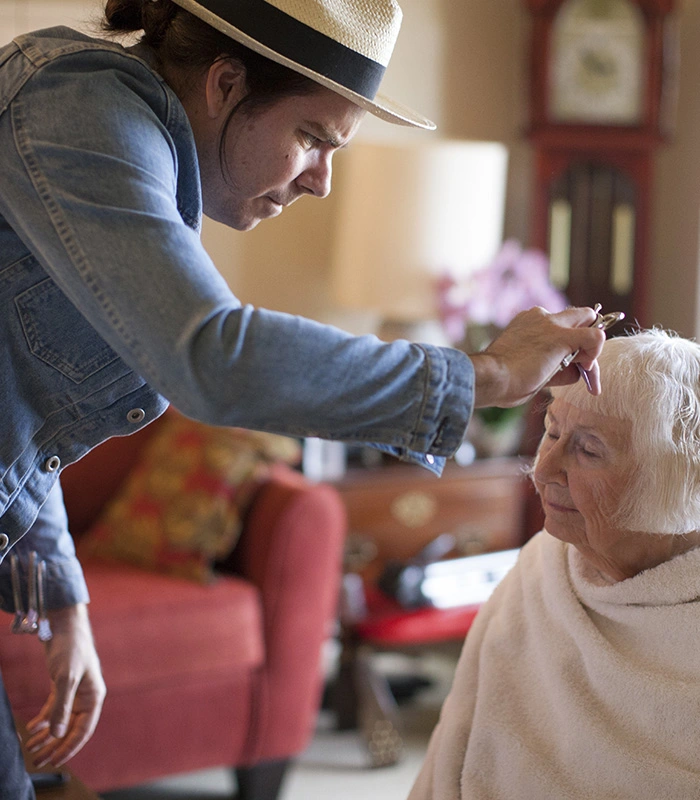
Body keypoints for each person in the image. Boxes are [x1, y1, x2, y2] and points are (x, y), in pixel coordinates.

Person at [0, 0, 605, 794]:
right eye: (314, 138)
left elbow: (15, 397)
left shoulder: (121, 127)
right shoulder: (80, 108)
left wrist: (59, 595)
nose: (322, 181)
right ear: (225, 83)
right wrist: (484, 375)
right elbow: (214, 356)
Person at [409, 328, 700, 800]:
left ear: (672, 481)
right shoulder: (542, 565)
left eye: (587, 450)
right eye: (553, 432)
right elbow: (460, 740)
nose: (543, 470)